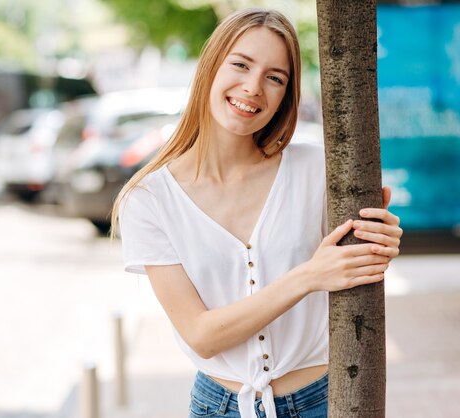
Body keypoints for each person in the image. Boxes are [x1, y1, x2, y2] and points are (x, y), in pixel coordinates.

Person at [111, 7, 402, 418]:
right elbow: (201, 334)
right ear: (211, 66)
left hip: (325, 400)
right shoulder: (148, 199)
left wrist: (382, 242)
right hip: (219, 407)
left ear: (287, 92)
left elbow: (354, 260)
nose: (252, 87)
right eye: (241, 65)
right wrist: (309, 276)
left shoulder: (317, 170)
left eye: (275, 77)